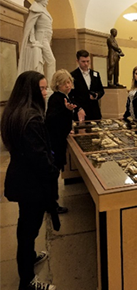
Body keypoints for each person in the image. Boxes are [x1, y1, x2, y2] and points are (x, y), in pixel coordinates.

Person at [0, 71, 59, 290]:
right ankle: (27, 281)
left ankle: (30, 256)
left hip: (22, 178)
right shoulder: (31, 118)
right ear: (31, 90)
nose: (45, 93)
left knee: (27, 225)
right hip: (31, 183)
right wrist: (53, 171)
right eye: (42, 89)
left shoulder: (15, 112)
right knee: (28, 228)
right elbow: (39, 157)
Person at [46, 69, 77, 214]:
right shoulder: (56, 98)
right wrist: (65, 110)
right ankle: (51, 203)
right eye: (65, 83)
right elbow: (51, 119)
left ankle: (52, 200)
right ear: (58, 85)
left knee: (56, 169)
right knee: (54, 171)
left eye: (69, 82)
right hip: (55, 141)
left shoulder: (64, 97)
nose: (68, 86)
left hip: (60, 138)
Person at [18, 0, 56, 84]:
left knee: (42, 62)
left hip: (46, 37)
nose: (47, 0)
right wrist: (33, 39)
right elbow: (30, 26)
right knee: (51, 60)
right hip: (41, 37)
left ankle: (43, 83)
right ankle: (51, 85)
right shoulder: (35, 8)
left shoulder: (44, 10)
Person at [70, 49, 105, 121]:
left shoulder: (95, 74)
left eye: (87, 61)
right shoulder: (72, 75)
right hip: (81, 111)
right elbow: (71, 96)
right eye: (83, 61)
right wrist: (78, 108)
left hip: (95, 111)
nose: (86, 64)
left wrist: (96, 95)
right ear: (77, 61)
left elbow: (101, 90)